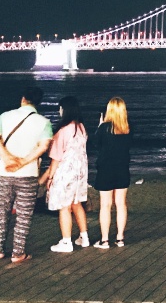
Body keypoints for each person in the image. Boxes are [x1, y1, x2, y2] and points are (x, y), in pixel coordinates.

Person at [0, 86, 53, 263]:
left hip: (5, 172)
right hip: (28, 174)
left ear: (23, 98)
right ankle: (18, 253)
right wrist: (23, 162)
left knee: (1, 212)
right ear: (39, 102)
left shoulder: (5, 116)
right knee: (24, 216)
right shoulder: (44, 122)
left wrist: (6, 157)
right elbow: (43, 146)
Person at [39, 96, 89, 252]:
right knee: (77, 204)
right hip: (80, 173)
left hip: (65, 173)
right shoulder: (81, 128)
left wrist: (50, 177)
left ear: (64, 109)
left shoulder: (63, 131)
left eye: (60, 108)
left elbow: (56, 158)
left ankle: (66, 242)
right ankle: (84, 237)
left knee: (64, 207)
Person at [93, 97, 131, 249]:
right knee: (121, 204)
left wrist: (100, 126)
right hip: (122, 169)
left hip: (106, 169)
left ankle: (105, 240)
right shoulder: (128, 128)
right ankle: (120, 238)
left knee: (105, 205)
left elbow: (96, 144)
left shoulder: (104, 128)